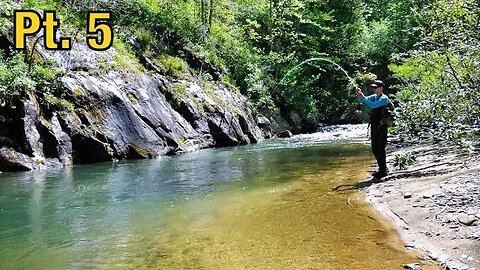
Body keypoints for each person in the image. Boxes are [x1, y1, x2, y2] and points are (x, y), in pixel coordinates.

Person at [355, 80, 390, 178]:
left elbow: (372, 105)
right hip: (374, 125)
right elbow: (362, 100)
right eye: (373, 87)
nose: (374, 89)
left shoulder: (384, 98)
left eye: (376, 87)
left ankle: (383, 169)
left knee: (380, 147)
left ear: (381, 88)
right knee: (374, 148)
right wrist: (359, 95)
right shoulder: (374, 97)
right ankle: (381, 168)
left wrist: (364, 98)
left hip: (382, 126)